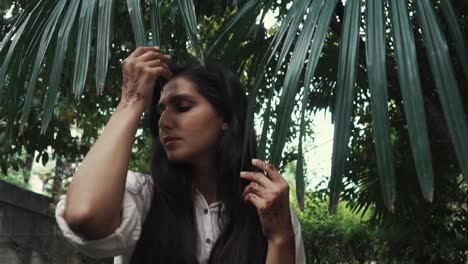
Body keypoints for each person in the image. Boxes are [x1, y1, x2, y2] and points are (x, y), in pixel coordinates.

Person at [55, 46, 306, 264]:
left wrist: (280, 237)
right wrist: (131, 100)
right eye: (160, 110)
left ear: (226, 118)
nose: (163, 122)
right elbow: (84, 215)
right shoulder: (143, 194)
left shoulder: (270, 210)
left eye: (183, 107)